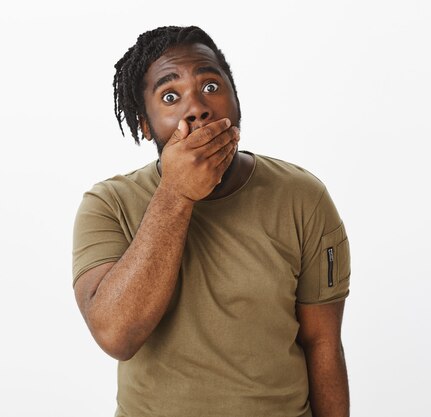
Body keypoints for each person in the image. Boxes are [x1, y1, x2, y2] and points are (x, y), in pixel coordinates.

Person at [72, 26, 351, 417]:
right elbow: (116, 335)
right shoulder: (108, 204)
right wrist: (175, 195)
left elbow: (323, 343)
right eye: (170, 96)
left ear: (236, 101)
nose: (197, 107)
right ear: (145, 125)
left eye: (211, 86)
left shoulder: (302, 197)